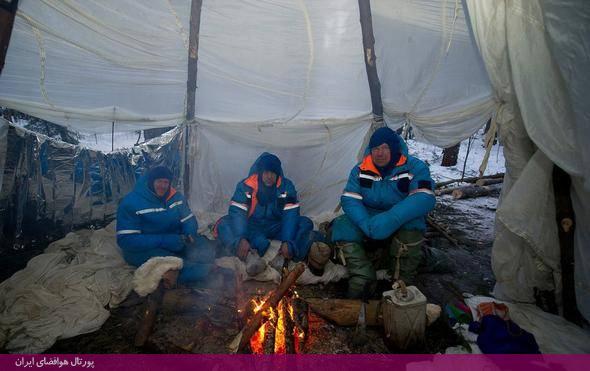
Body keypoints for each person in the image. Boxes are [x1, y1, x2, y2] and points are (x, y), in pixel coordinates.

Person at [330, 127, 436, 298]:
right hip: (369, 215)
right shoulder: (360, 169)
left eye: (385, 148)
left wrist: (392, 218)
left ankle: (400, 283)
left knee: (413, 226)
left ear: (393, 148)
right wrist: (365, 223)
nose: (380, 153)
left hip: (401, 216)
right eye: (375, 149)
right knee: (342, 226)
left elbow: (425, 197)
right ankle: (363, 277)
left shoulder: (414, 167)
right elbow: (350, 198)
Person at [215, 152, 327, 275]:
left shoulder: (286, 186)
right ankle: (250, 257)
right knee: (223, 223)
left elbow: (291, 214)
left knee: (306, 223)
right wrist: (241, 238)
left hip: (276, 226)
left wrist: (287, 241)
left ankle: (285, 257)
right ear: (260, 172)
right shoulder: (246, 186)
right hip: (252, 226)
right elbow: (237, 213)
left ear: (278, 173)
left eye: (273, 173)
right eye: (266, 172)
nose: (269, 176)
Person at [116, 165, 216, 285]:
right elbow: (126, 240)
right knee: (168, 261)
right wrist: (164, 240)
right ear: (151, 181)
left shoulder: (176, 198)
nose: (163, 186)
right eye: (159, 181)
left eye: (166, 182)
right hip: (146, 247)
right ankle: (207, 273)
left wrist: (189, 233)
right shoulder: (131, 203)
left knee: (205, 251)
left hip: (176, 240)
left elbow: (188, 220)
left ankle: (193, 270)